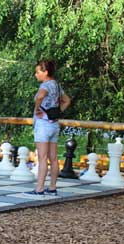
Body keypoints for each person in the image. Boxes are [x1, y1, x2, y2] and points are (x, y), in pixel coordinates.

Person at [25, 60, 71, 197]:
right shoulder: (56, 85)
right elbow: (67, 100)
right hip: (54, 124)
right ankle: (52, 188)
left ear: (45, 72)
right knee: (54, 158)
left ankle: (39, 189)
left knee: (43, 157)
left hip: (43, 124)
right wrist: (58, 111)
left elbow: (40, 96)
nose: (36, 74)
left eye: (38, 71)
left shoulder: (45, 85)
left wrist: (37, 109)